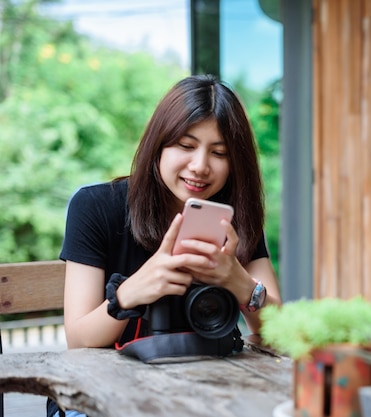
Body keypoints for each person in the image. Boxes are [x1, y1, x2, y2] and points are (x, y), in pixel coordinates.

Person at [47, 74, 281, 417]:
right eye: (186, 146)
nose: (200, 166)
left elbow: (279, 334)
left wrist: (237, 280)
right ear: (159, 144)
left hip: (207, 392)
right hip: (103, 396)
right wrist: (130, 293)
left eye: (219, 153)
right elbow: (78, 340)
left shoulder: (233, 218)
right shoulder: (97, 207)